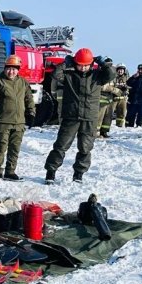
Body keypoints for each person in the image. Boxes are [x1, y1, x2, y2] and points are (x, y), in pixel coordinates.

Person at [44, 48, 115, 184]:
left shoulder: (98, 76)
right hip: (71, 116)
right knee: (61, 146)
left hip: (89, 117)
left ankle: (78, 174)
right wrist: (66, 63)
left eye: (86, 65)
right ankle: (51, 172)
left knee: (85, 148)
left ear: (91, 64)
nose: (83, 68)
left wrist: (104, 64)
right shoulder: (69, 75)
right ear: (75, 63)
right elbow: (55, 75)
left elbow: (111, 74)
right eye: (80, 65)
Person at [0, 55, 36, 181]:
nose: (11, 72)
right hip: (3, 121)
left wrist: (31, 113)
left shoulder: (23, 82)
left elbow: (29, 99)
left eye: (14, 69)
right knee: (1, 148)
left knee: (15, 149)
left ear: (18, 70)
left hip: (19, 122)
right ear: (5, 69)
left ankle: (10, 171)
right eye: (9, 69)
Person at [97, 63, 125, 137]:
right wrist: (114, 90)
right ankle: (96, 132)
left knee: (108, 117)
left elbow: (114, 85)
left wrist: (122, 89)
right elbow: (101, 86)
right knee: (99, 116)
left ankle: (104, 132)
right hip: (101, 98)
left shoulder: (113, 77)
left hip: (110, 99)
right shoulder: (99, 75)